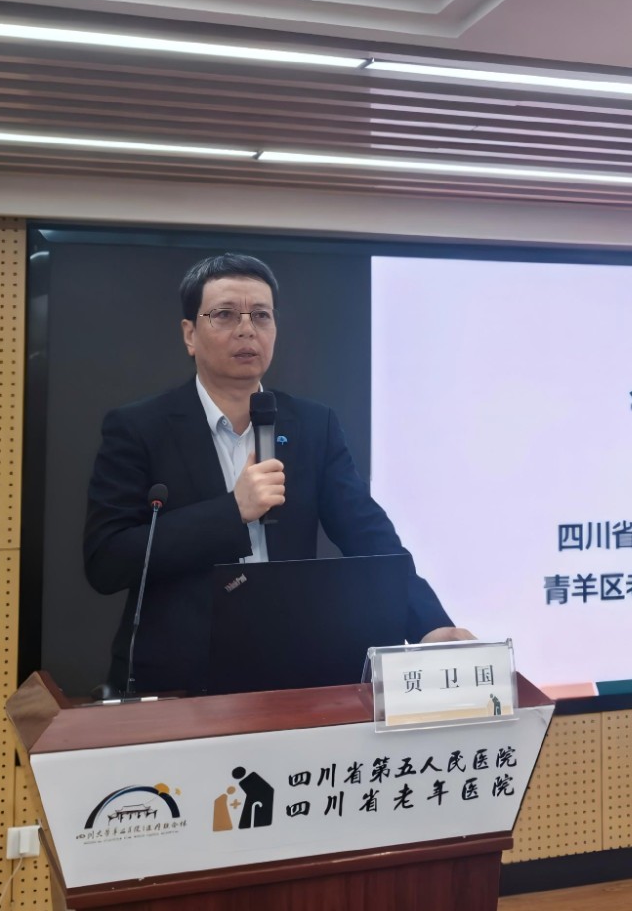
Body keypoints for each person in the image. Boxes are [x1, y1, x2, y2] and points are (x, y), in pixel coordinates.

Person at [83, 253, 471, 693]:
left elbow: (368, 536)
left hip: (291, 671)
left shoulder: (313, 425)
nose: (246, 329)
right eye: (225, 315)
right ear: (190, 334)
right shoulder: (139, 428)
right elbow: (106, 561)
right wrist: (231, 512)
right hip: (179, 679)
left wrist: (429, 624)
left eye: (261, 316)